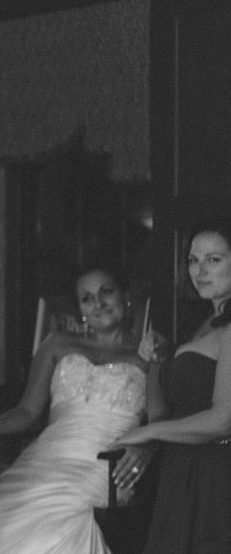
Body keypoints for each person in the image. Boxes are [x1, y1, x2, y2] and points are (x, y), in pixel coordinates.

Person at [0, 263, 163, 554]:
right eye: (87, 298)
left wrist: (145, 447)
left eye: (106, 292)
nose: (98, 304)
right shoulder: (57, 344)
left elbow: (159, 418)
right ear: (80, 309)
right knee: (13, 517)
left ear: (126, 296)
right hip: (46, 458)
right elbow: (27, 412)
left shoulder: (147, 354)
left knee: (59, 522)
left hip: (106, 461)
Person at [112, 218, 231, 553]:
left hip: (217, 472)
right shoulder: (203, 321)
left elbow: (222, 420)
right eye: (193, 260)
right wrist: (159, 357)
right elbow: (166, 406)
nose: (199, 271)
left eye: (214, 259)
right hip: (184, 467)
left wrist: (146, 434)